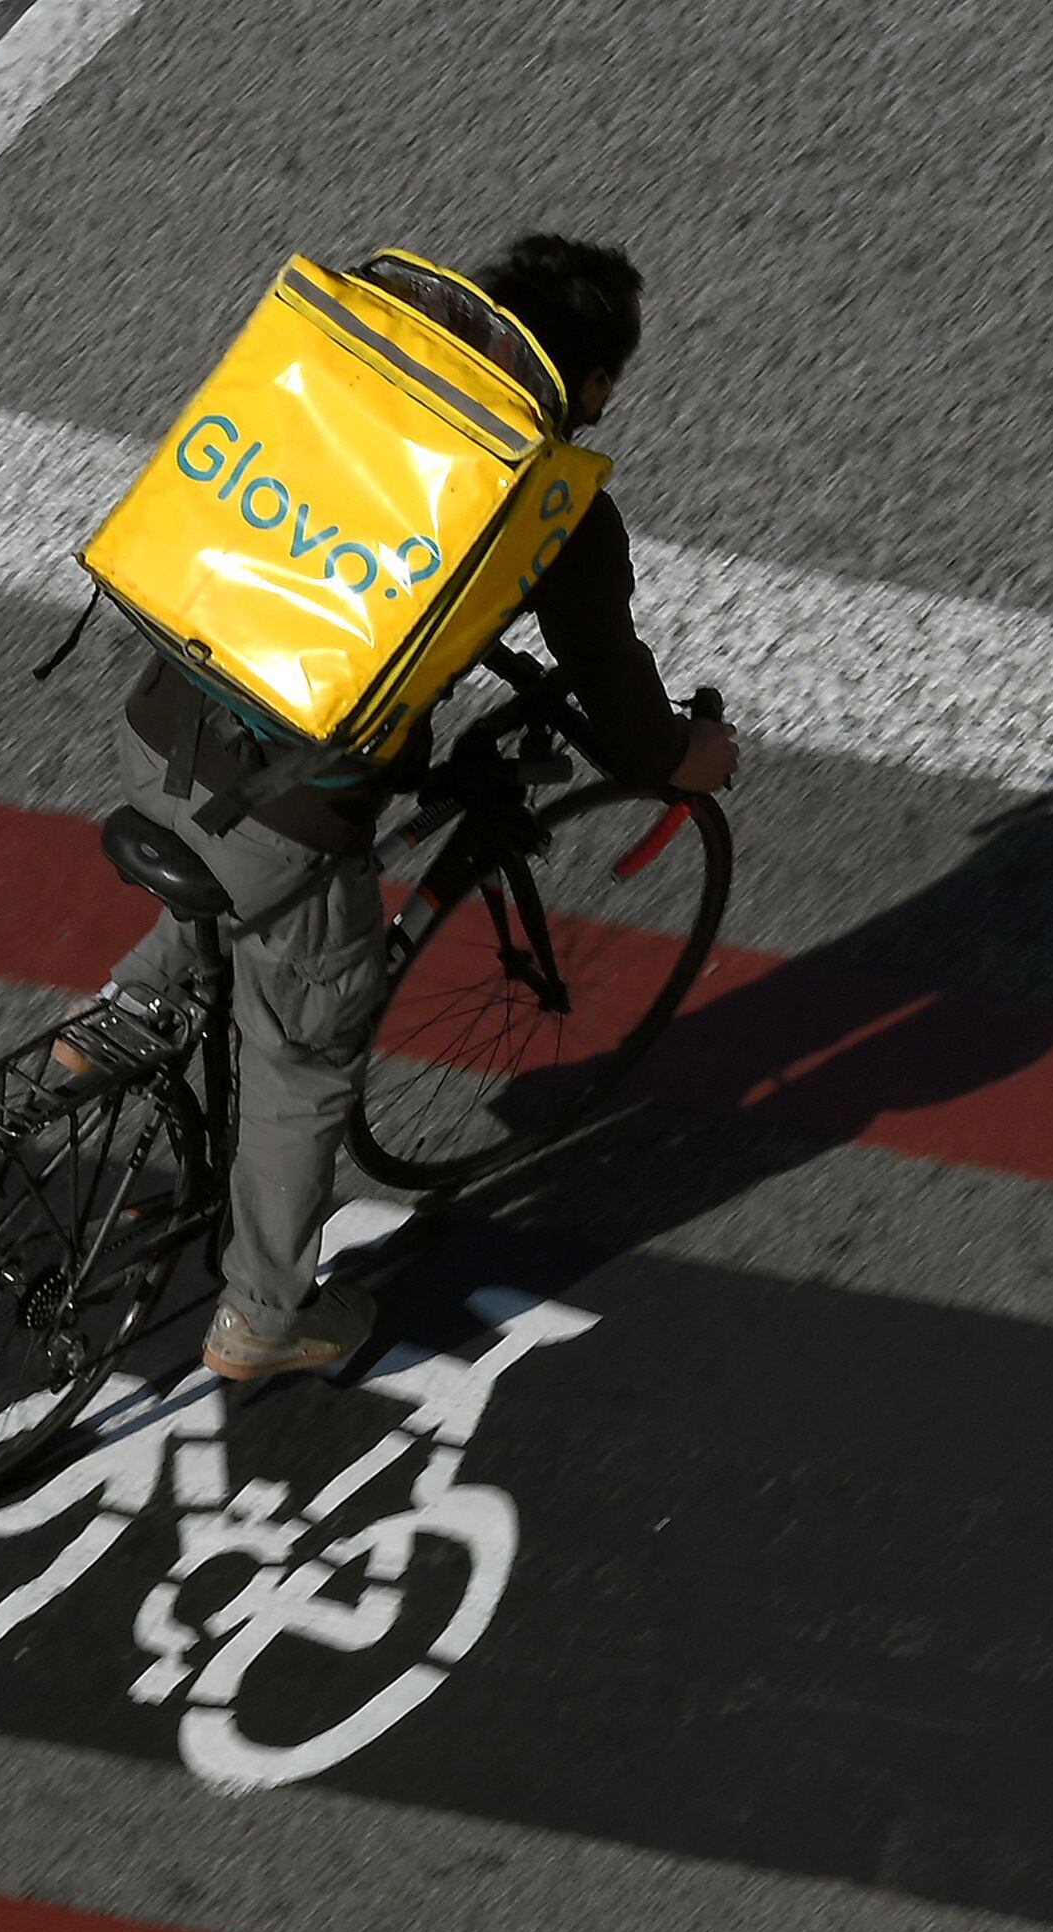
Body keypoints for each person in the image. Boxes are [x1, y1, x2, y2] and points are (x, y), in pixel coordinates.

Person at [93, 232, 740, 1382]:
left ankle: (87, 1056)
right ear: (591, 383)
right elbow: (623, 709)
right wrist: (684, 756)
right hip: (284, 811)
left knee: (226, 896)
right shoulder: (544, 498)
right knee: (303, 1052)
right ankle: (265, 1319)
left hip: (155, 719)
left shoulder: (356, 384)